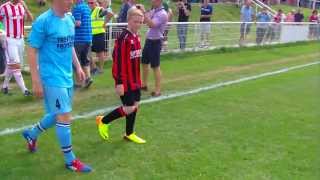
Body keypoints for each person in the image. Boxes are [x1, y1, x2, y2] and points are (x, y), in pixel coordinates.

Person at [22, 0, 92, 172]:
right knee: (64, 116)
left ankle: (31, 134)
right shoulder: (43, 21)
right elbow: (31, 49)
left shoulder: (69, 19)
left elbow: (70, 46)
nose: (73, 2)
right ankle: (70, 161)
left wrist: (77, 67)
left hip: (66, 76)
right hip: (51, 77)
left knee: (57, 114)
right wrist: (36, 80)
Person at [96, 6, 146, 144]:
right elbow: (117, 61)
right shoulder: (123, 38)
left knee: (135, 105)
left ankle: (129, 133)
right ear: (128, 20)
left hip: (135, 80)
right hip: (125, 81)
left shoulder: (137, 37)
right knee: (129, 108)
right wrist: (119, 82)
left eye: (140, 22)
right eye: (136, 21)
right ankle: (103, 121)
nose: (138, 24)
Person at [0, 0, 33, 96]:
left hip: (20, 39)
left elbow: (30, 19)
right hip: (9, 39)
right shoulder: (4, 7)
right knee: (16, 65)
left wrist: (25, 7)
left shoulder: (21, 7)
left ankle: (5, 86)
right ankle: (25, 90)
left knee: (13, 65)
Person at [141, 0, 168, 97]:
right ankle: (144, 85)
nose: (152, 1)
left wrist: (144, 12)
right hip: (149, 40)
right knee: (144, 62)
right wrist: (143, 13)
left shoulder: (162, 13)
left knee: (155, 66)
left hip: (156, 42)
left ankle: (158, 90)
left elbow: (152, 24)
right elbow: (145, 21)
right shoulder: (154, 11)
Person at [88, 0, 113, 75]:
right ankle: (94, 68)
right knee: (88, 52)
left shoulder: (98, 9)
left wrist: (105, 23)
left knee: (100, 53)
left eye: (91, 2)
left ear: (95, 3)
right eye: (88, 3)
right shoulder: (90, 11)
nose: (90, 4)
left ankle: (101, 70)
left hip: (99, 33)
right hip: (91, 34)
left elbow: (110, 14)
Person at [72, 0, 93, 88]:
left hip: (79, 39)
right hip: (88, 38)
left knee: (76, 61)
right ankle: (88, 77)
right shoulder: (87, 7)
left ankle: (78, 83)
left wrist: (68, 23)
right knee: (85, 60)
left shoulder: (77, 8)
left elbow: (78, 23)